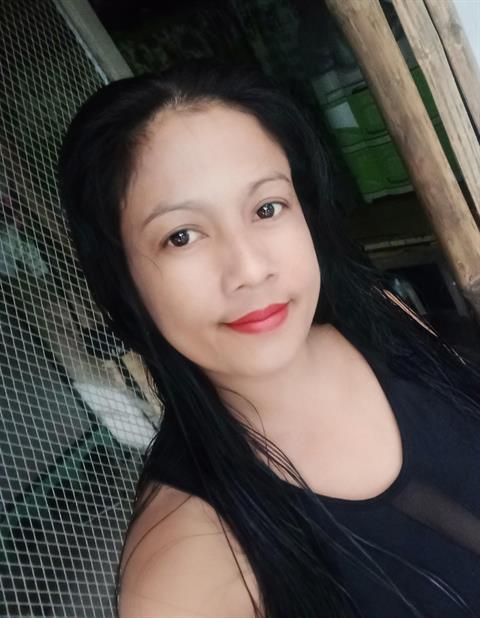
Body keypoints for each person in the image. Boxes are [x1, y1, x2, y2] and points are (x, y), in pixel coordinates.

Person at [57, 58, 480, 618]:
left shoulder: (385, 320)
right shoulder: (184, 570)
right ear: (122, 276)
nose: (250, 269)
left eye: (266, 207)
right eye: (181, 236)